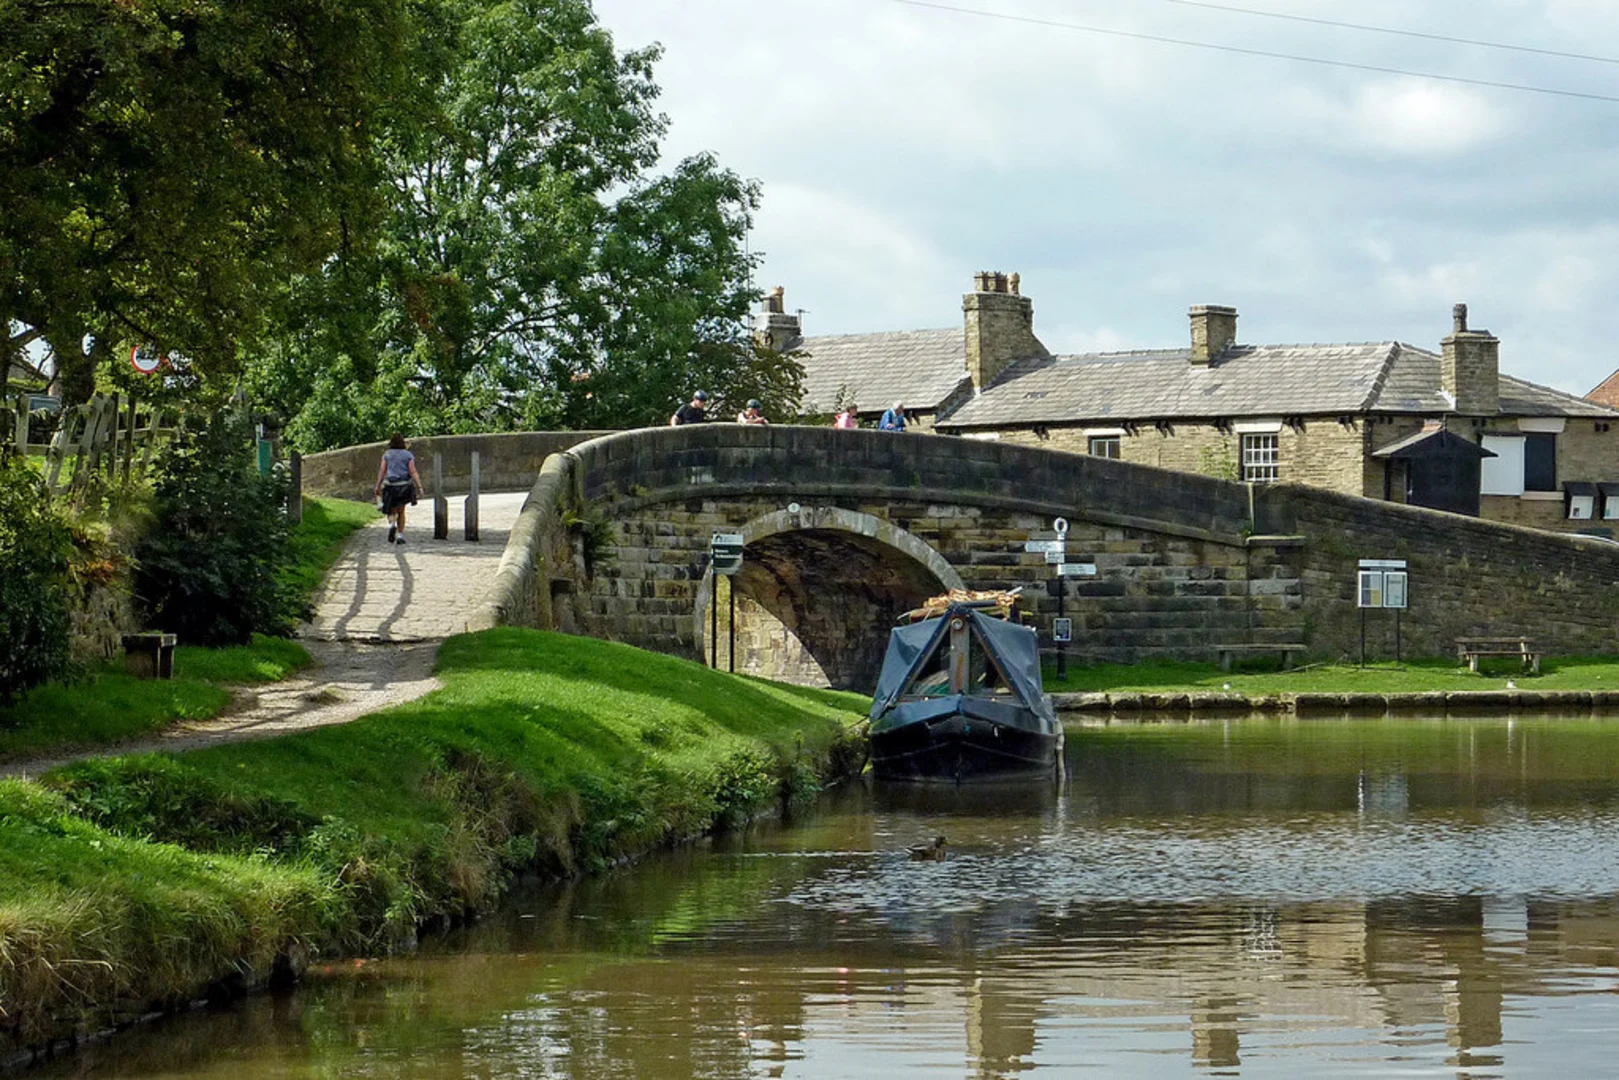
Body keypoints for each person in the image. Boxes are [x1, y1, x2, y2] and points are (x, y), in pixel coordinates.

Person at [374, 433, 423, 545]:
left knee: (391, 509)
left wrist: (378, 485)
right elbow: (413, 471)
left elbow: (382, 471)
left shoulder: (387, 455)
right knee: (401, 511)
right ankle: (400, 535)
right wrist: (419, 486)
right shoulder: (408, 455)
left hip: (391, 486)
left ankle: (392, 525)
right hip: (404, 485)